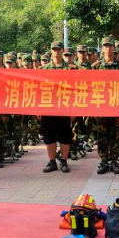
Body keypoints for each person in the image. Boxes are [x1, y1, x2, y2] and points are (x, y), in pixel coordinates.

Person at [92, 37, 119, 174]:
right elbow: (89, 88)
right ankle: (103, 161)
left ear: (114, 48)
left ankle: (114, 161)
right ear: (102, 49)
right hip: (101, 106)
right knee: (101, 135)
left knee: (116, 134)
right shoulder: (95, 67)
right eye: (105, 46)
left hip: (116, 106)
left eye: (110, 46)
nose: (108, 49)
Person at [40, 41, 75, 173]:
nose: (56, 51)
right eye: (54, 49)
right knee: (49, 136)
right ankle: (52, 161)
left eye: (59, 49)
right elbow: (37, 90)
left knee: (65, 136)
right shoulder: (43, 70)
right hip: (48, 107)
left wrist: (74, 110)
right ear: (51, 51)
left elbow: (76, 90)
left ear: (62, 51)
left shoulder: (71, 69)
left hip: (65, 108)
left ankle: (64, 161)